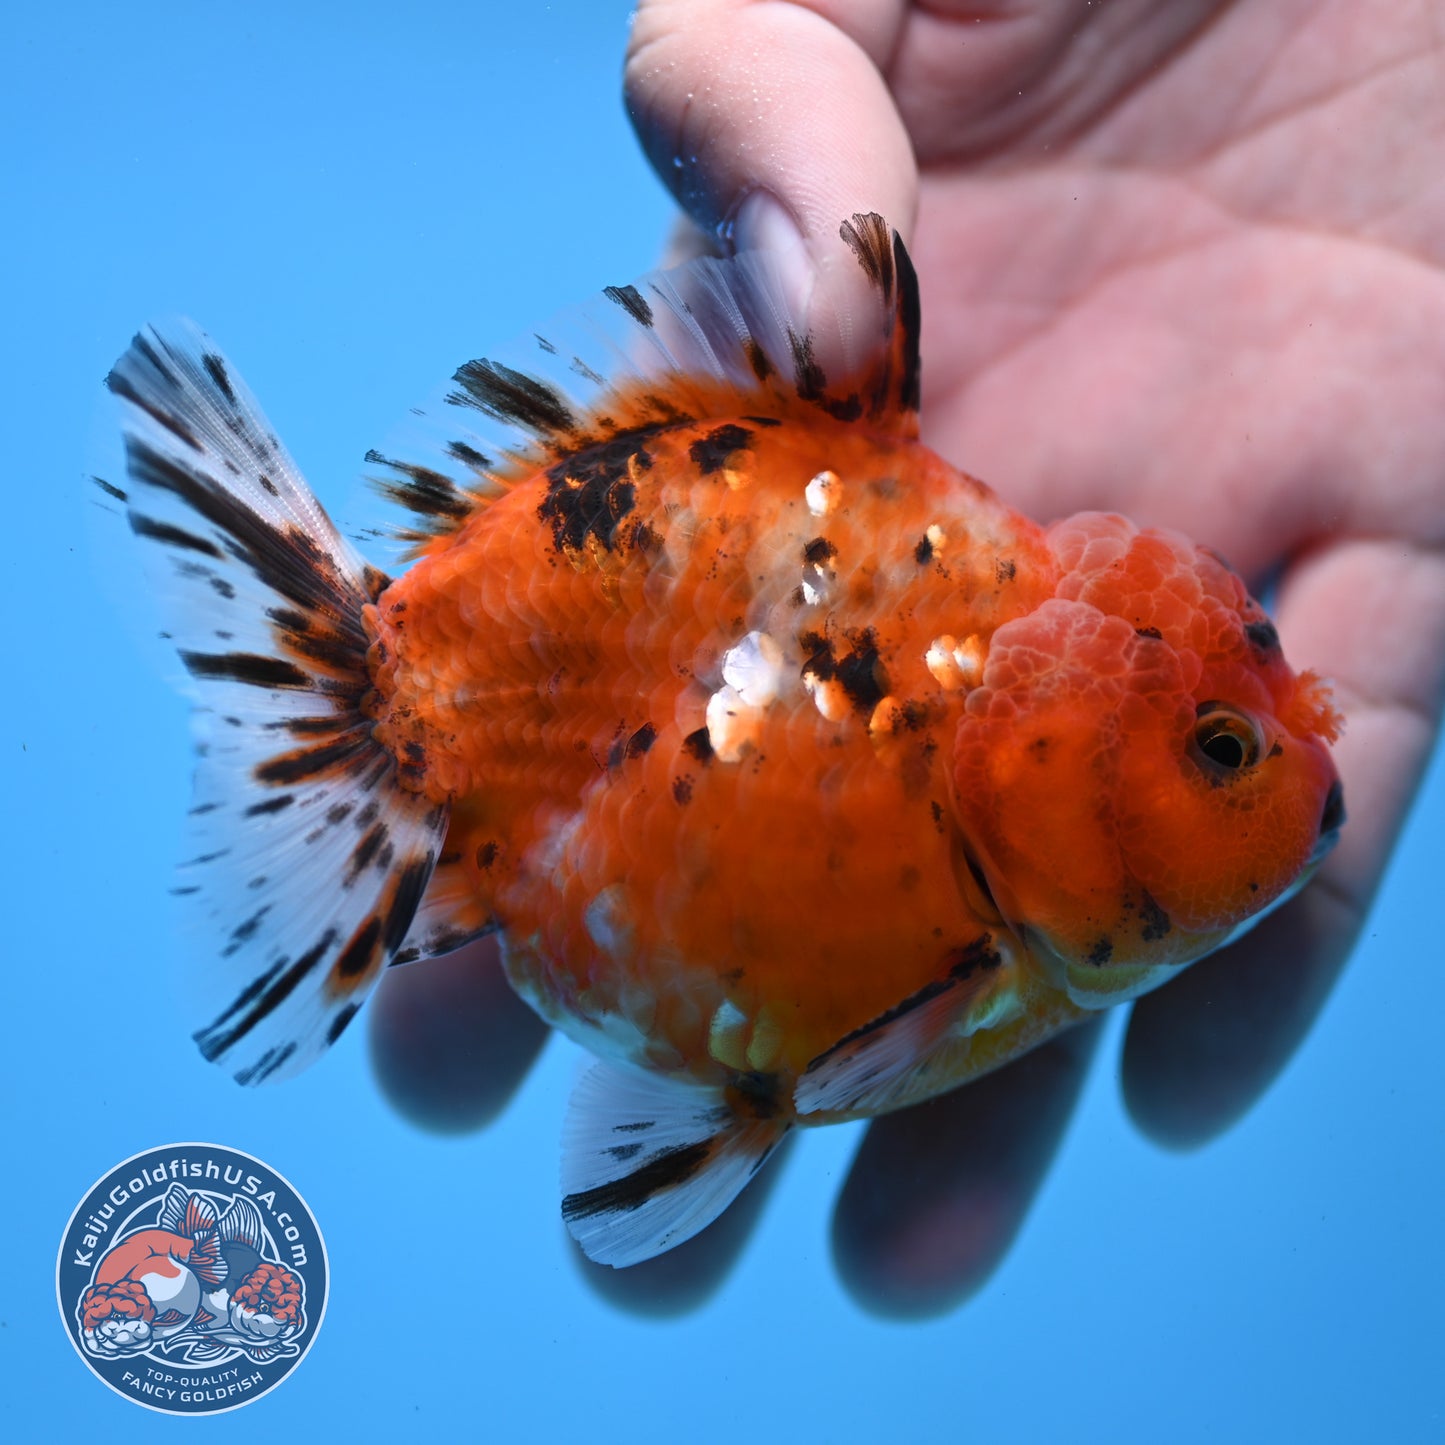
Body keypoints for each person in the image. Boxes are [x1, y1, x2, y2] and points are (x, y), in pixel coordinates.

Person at [368, 0, 1445, 1317]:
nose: (1298, 767)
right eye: (1217, 752)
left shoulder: (1006, 893)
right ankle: (361, 696)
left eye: (1237, 738)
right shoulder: (982, 913)